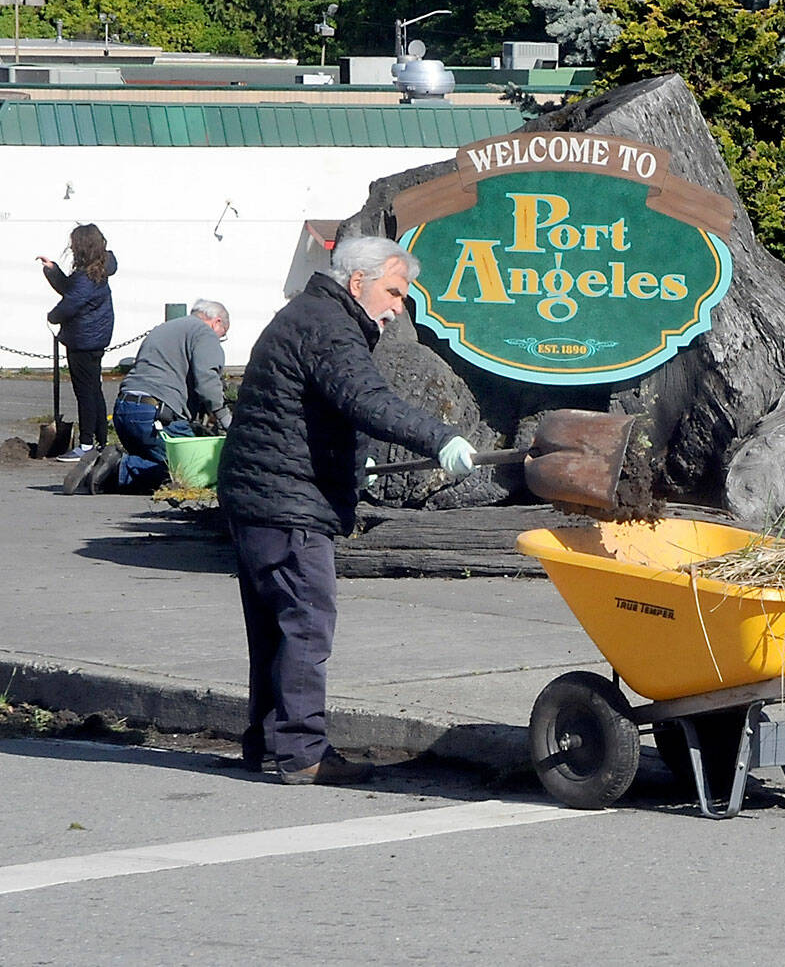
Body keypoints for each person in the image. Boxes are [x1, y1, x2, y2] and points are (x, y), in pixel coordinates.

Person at [217, 235, 476, 786]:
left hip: (263, 496)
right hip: (288, 503)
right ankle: (303, 753)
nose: (399, 306)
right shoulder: (329, 326)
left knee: (276, 629)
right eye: (395, 291)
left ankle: (270, 745)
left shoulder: (309, 315)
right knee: (306, 624)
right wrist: (440, 438)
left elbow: (329, 411)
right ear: (358, 282)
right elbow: (366, 399)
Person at [72, 300, 233, 495]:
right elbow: (207, 381)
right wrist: (224, 416)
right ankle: (117, 468)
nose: (219, 340)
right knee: (195, 470)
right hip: (156, 415)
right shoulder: (205, 333)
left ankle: (106, 467)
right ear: (216, 322)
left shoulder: (163, 329)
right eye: (222, 335)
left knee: (159, 463)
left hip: (125, 409)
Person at [39, 223, 117, 463]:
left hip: (83, 341)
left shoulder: (86, 277)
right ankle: (101, 441)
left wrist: (52, 317)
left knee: (85, 392)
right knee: (94, 390)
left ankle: (85, 445)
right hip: (95, 338)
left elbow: (71, 301)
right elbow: (70, 291)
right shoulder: (99, 269)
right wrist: (53, 270)